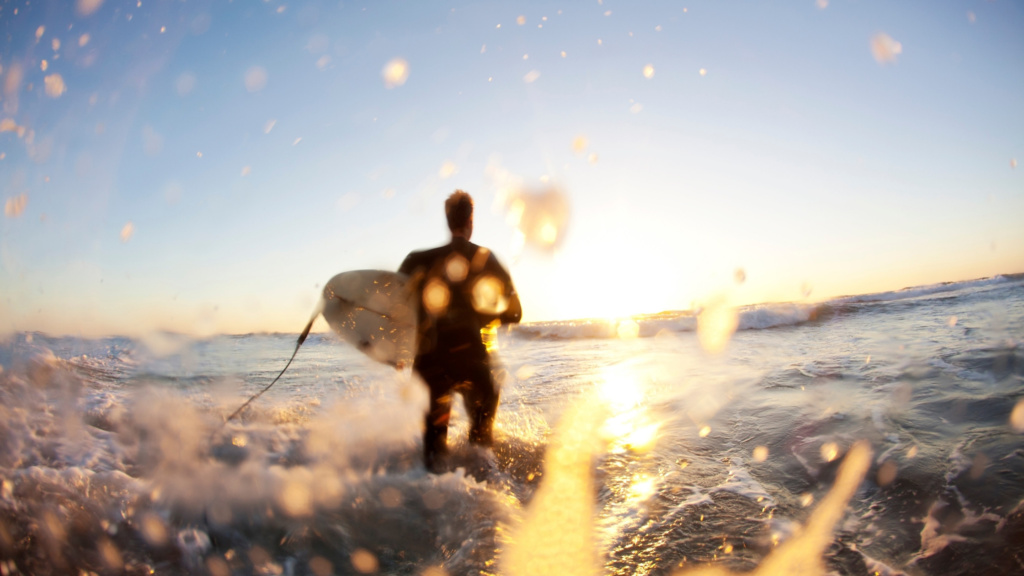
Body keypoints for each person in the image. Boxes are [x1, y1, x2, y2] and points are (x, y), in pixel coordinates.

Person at [399, 190, 522, 472]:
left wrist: (394, 351)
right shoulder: (486, 258)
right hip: (472, 359)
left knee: (433, 450)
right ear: (470, 221)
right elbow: (514, 313)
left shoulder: (416, 260)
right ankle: (483, 496)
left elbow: (393, 311)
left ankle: (427, 500)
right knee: (481, 445)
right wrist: (482, 315)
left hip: (429, 363)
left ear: (447, 220)